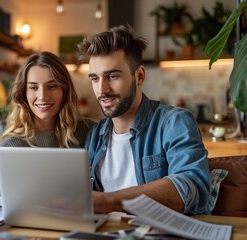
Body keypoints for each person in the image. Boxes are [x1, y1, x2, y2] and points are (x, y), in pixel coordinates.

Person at [76, 24, 210, 215]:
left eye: (112, 76)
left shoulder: (173, 123)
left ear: (139, 76)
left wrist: (108, 201)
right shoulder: (95, 136)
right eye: (94, 78)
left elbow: (190, 186)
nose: (102, 90)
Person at [0, 51, 95, 207]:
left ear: (64, 90)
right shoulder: (10, 145)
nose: (43, 96)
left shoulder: (88, 130)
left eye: (52, 86)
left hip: (79, 225)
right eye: (33, 87)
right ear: (23, 94)